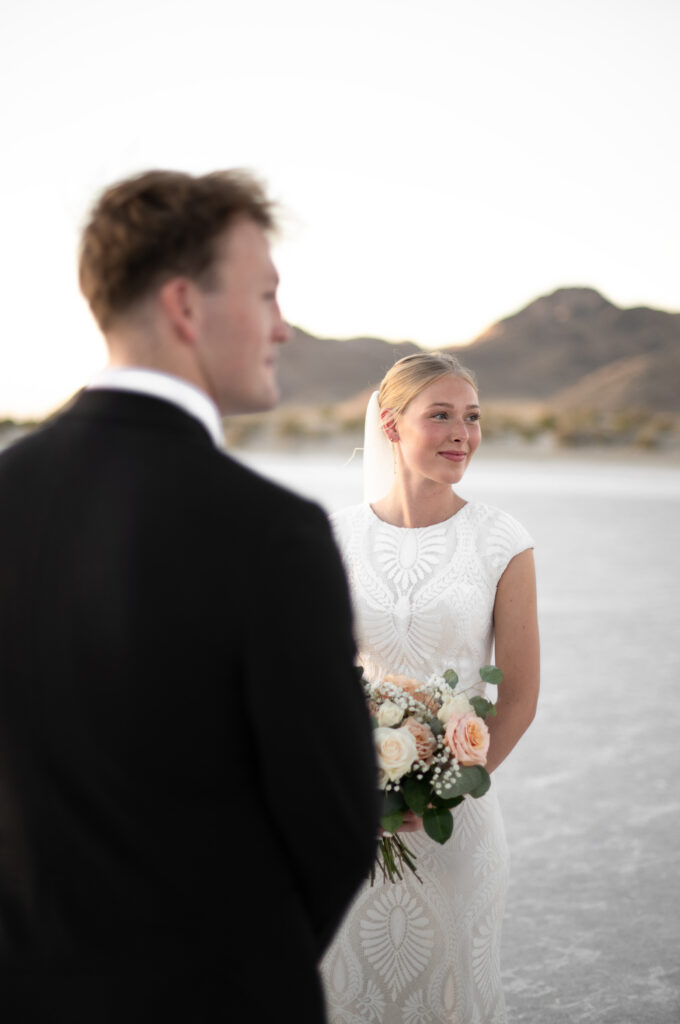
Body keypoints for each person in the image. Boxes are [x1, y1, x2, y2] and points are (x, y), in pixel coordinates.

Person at [0, 169, 377, 1021]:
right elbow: (336, 826)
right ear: (184, 307)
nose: (283, 327)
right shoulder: (271, 532)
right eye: (267, 295)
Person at [320, 352, 540, 1023]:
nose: (461, 434)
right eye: (439, 415)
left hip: (458, 829)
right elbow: (313, 685)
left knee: (452, 997)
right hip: (353, 824)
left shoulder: (501, 540)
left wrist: (440, 791)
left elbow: (519, 696)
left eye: (471, 417)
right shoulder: (335, 537)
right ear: (390, 426)